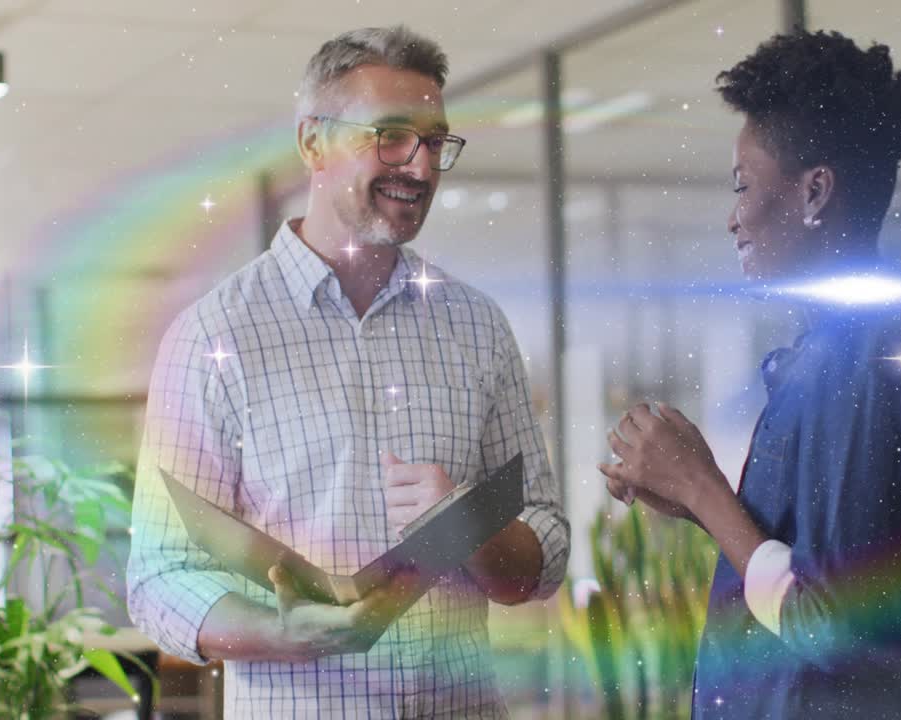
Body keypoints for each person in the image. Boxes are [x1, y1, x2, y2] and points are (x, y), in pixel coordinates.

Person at [127, 25, 569, 718]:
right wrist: (278, 632)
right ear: (313, 143)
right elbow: (160, 578)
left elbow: (543, 552)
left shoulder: (476, 328)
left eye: (434, 143)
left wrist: (471, 526)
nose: (420, 169)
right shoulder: (214, 336)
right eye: (391, 136)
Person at [598, 29, 901, 719]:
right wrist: (694, 502)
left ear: (815, 193)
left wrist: (702, 484)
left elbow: (836, 628)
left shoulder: (862, 351)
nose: (733, 218)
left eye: (743, 185)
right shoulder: (832, 349)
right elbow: (807, 570)